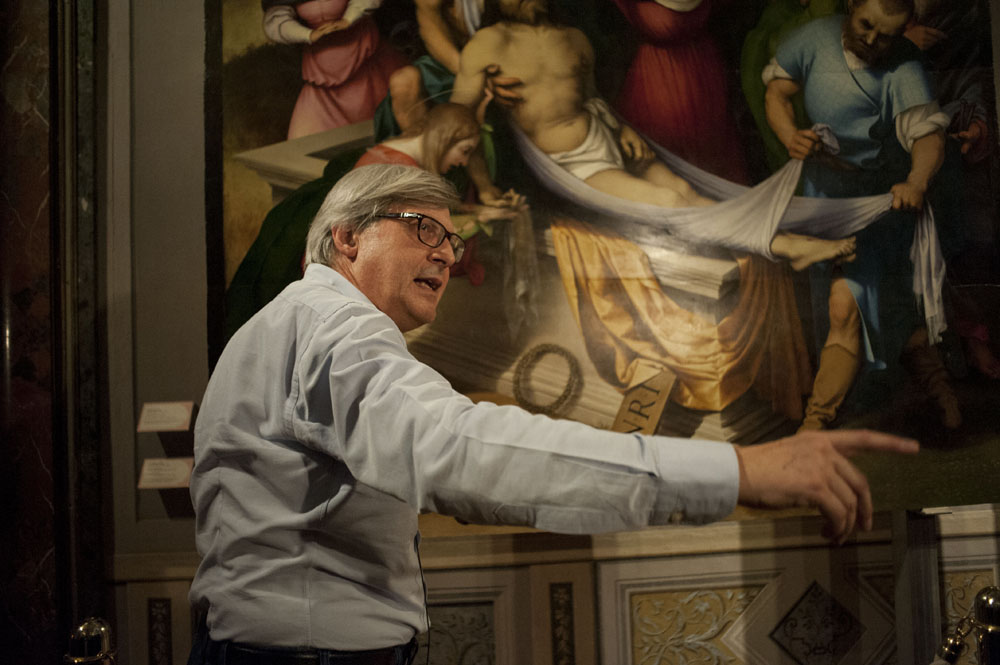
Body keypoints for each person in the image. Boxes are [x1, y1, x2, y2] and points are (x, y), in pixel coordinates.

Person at [188, 164, 918, 664]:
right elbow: (458, 452)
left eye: (453, 238)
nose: (448, 255)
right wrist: (738, 470)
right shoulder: (335, 329)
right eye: (423, 229)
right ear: (347, 237)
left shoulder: (283, 325)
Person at [451, 0, 857, 270]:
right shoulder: (488, 44)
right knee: (670, 202)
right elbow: (460, 122)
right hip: (570, 163)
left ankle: (786, 242)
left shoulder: (573, 39)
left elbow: (593, 100)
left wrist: (625, 132)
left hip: (608, 139)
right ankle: (787, 247)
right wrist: (484, 187)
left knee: (686, 190)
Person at [763, 0, 960, 429]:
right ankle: (937, 388)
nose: (871, 40)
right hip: (824, 199)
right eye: (865, 25)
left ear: (902, 31)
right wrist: (790, 135)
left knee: (850, 305)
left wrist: (916, 181)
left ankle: (815, 424)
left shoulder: (903, 67)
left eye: (885, 36)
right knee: (875, 307)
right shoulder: (814, 38)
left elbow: (928, 137)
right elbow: (777, 92)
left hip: (880, 203)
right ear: (851, 5)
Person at [262, 0, 407, 139]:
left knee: (380, 129)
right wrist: (308, 34)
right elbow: (276, 19)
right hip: (320, 67)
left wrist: (348, 20)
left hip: (363, 57)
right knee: (305, 138)